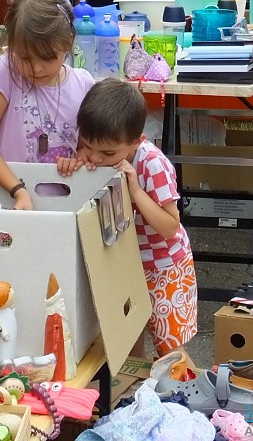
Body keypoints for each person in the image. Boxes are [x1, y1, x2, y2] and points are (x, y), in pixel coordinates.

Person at [57, 79, 197, 359]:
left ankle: (180, 394)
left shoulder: (152, 164)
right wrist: (75, 164)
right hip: (128, 262)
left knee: (169, 349)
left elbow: (170, 226)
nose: (97, 158)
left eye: (108, 153)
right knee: (126, 340)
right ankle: (133, 396)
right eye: (88, 145)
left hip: (165, 266)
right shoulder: (99, 156)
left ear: (138, 141)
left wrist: (135, 190)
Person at [0, 0, 96, 210]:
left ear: (67, 45)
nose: (36, 68)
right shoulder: (5, 72)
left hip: (65, 206)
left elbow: (89, 146)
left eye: (47, 58)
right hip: (8, 201)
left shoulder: (83, 84)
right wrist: (18, 191)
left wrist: (82, 156)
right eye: (25, 57)